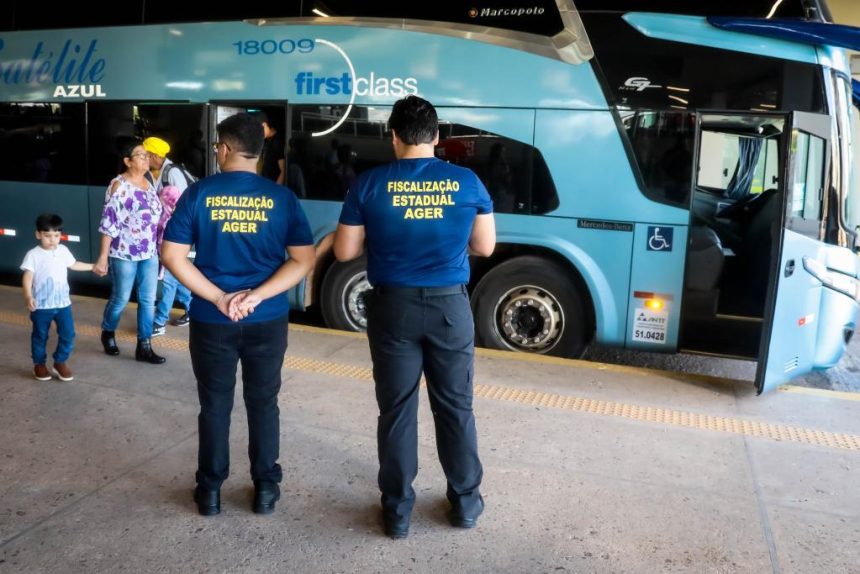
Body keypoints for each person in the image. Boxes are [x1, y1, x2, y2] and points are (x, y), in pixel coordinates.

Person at [333, 95, 496, 539]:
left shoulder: (368, 184)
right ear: (436, 136)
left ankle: (398, 511)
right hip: (449, 309)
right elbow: (485, 247)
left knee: (397, 410)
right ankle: (465, 504)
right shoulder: (467, 182)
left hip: (393, 309)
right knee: (455, 407)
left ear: (394, 136)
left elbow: (345, 251)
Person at [161, 112, 315, 517]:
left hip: (212, 322)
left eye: (217, 146)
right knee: (263, 402)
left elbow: (172, 256)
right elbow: (303, 260)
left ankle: (210, 491)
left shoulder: (199, 194)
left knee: (214, 405)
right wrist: (256, 296)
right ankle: (264, 488)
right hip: (267, 319)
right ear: (259, 152)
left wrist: (219, 298)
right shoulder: (282, 198)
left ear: (225, 148)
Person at [94, 140, 166, 365]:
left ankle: (144, 346)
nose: (146, 158)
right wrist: (103, 258)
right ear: (127, 161)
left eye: (147, 155)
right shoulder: (118, 186)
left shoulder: (149, 181)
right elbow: (109, 224)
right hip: (123, 253)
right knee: (121, 298)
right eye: (141, 155)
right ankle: (108, 331)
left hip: (149, 253)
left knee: (148, 300)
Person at [20, 213, 96, 381]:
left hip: (63, 305)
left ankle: (60, 362)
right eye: (47, 236)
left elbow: (74, 264)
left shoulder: (63, 250)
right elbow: (28, 277)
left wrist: (93, 266)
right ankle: (39, 364)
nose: (52, 240)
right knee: (40, 336)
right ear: (38, 234)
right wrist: (28, 296)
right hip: (41, 306)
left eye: (56, 235)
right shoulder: (33, 255)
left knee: (68, 334)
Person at [143, 136, 193, 336]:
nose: (144, 158)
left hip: (174, 232)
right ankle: (191, 309)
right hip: (163, 232)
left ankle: (159, 321)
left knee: (170, 277)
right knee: (175, 275)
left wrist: (176, 232)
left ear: (155, 156)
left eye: (146, 155)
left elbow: (183, 205)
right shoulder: (154, 172)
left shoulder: (172, 173)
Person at [253, 111, 286, 184]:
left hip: (272, 187)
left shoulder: (277, 141)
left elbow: (283, 170)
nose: (257, 133)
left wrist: (276, 189)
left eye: (257, 130)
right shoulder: (265, 140)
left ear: (264, 125)